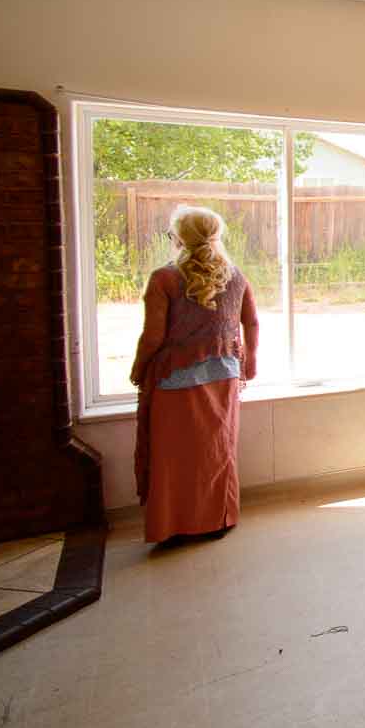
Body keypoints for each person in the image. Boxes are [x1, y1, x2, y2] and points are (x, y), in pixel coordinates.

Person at [130, 204, 258, 545]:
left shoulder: (164, 278)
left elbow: (153, 336)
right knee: (217, 449)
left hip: (175, 380)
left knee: (174, 456)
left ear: (179, 240)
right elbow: (251, 322)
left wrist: (138, 368)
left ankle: (173, 526)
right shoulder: (236, 275)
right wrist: (251, 362)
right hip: (225, 375)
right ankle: (219, 518)